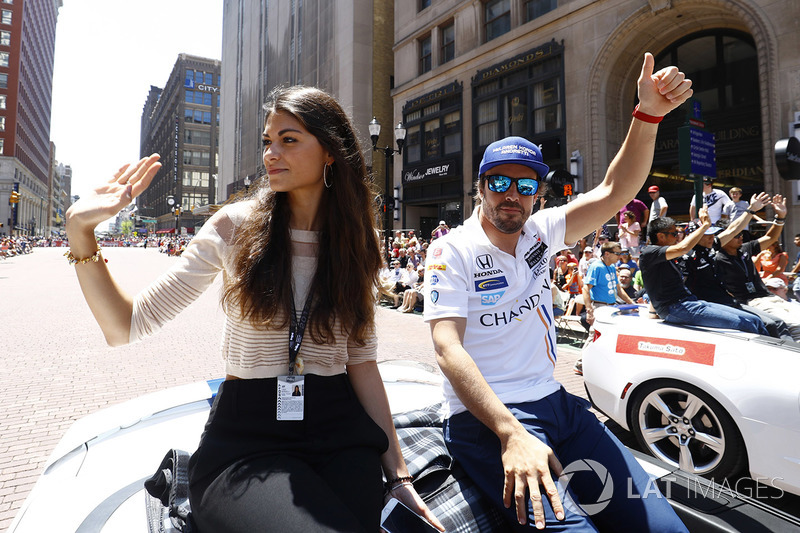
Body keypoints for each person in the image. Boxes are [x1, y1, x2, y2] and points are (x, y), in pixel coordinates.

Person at [64, 86, 442, 533]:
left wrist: (398, 477)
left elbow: (361, 362)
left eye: (289, 139)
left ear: (329, 152)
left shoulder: (357, 241)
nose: (271, 154)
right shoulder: (235, 226)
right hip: (248, 441)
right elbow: (124, 325)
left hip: (340, 433)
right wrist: (80, 231)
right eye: (268, 141)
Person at [424, 53, 692, 532]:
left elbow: (614, 190)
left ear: (538, 195)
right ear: (481, 188)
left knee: (664, 528)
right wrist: (510, 433)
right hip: (486, 418)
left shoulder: (542, 231)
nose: (512, 194)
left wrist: (648, 114)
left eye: (525, 184)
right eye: (499, 183)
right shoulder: (452, 250)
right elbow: (447, 349)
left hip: (557, 403)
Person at [676, 193, 792, 341]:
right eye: (706, 234)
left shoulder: (713, 248)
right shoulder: (686, 256)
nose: (712, 237)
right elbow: (675, 282)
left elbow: (733, 230)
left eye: (713, 234)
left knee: (776, 322)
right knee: (758, 324)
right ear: (695, 236)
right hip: (709, 305)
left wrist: (751, 210)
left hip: (730, 302)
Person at [640, 209, 767, 334]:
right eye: (674, 234)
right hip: (675, 308)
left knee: (755, 320)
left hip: (692, 302)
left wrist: (750, 210)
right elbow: (683, 248)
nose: (678, 237)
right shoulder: (649, 252)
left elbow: (731, 231)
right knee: (746, 324)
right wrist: (705, 225)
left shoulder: (676, 252)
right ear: (661, 236)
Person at [713, 194, 800, 341]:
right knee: (795, 326)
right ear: (725, 236)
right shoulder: (715, 258)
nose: (741, 236)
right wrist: (751, 209)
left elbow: (770, 238)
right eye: (736, 234)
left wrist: (780, 216)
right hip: (750, 303)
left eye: (741, 233)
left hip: (770, 297)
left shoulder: (745, 249)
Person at [582, 241, 635, 329]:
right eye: (617, 253)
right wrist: (589, 311)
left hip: (612, 307)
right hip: (600, 307)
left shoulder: (612, 267)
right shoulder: (596, 267)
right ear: (607, 254)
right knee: (595, 336)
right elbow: (585, 289)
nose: (620, 256)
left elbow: (619, 290)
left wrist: (632, 303)